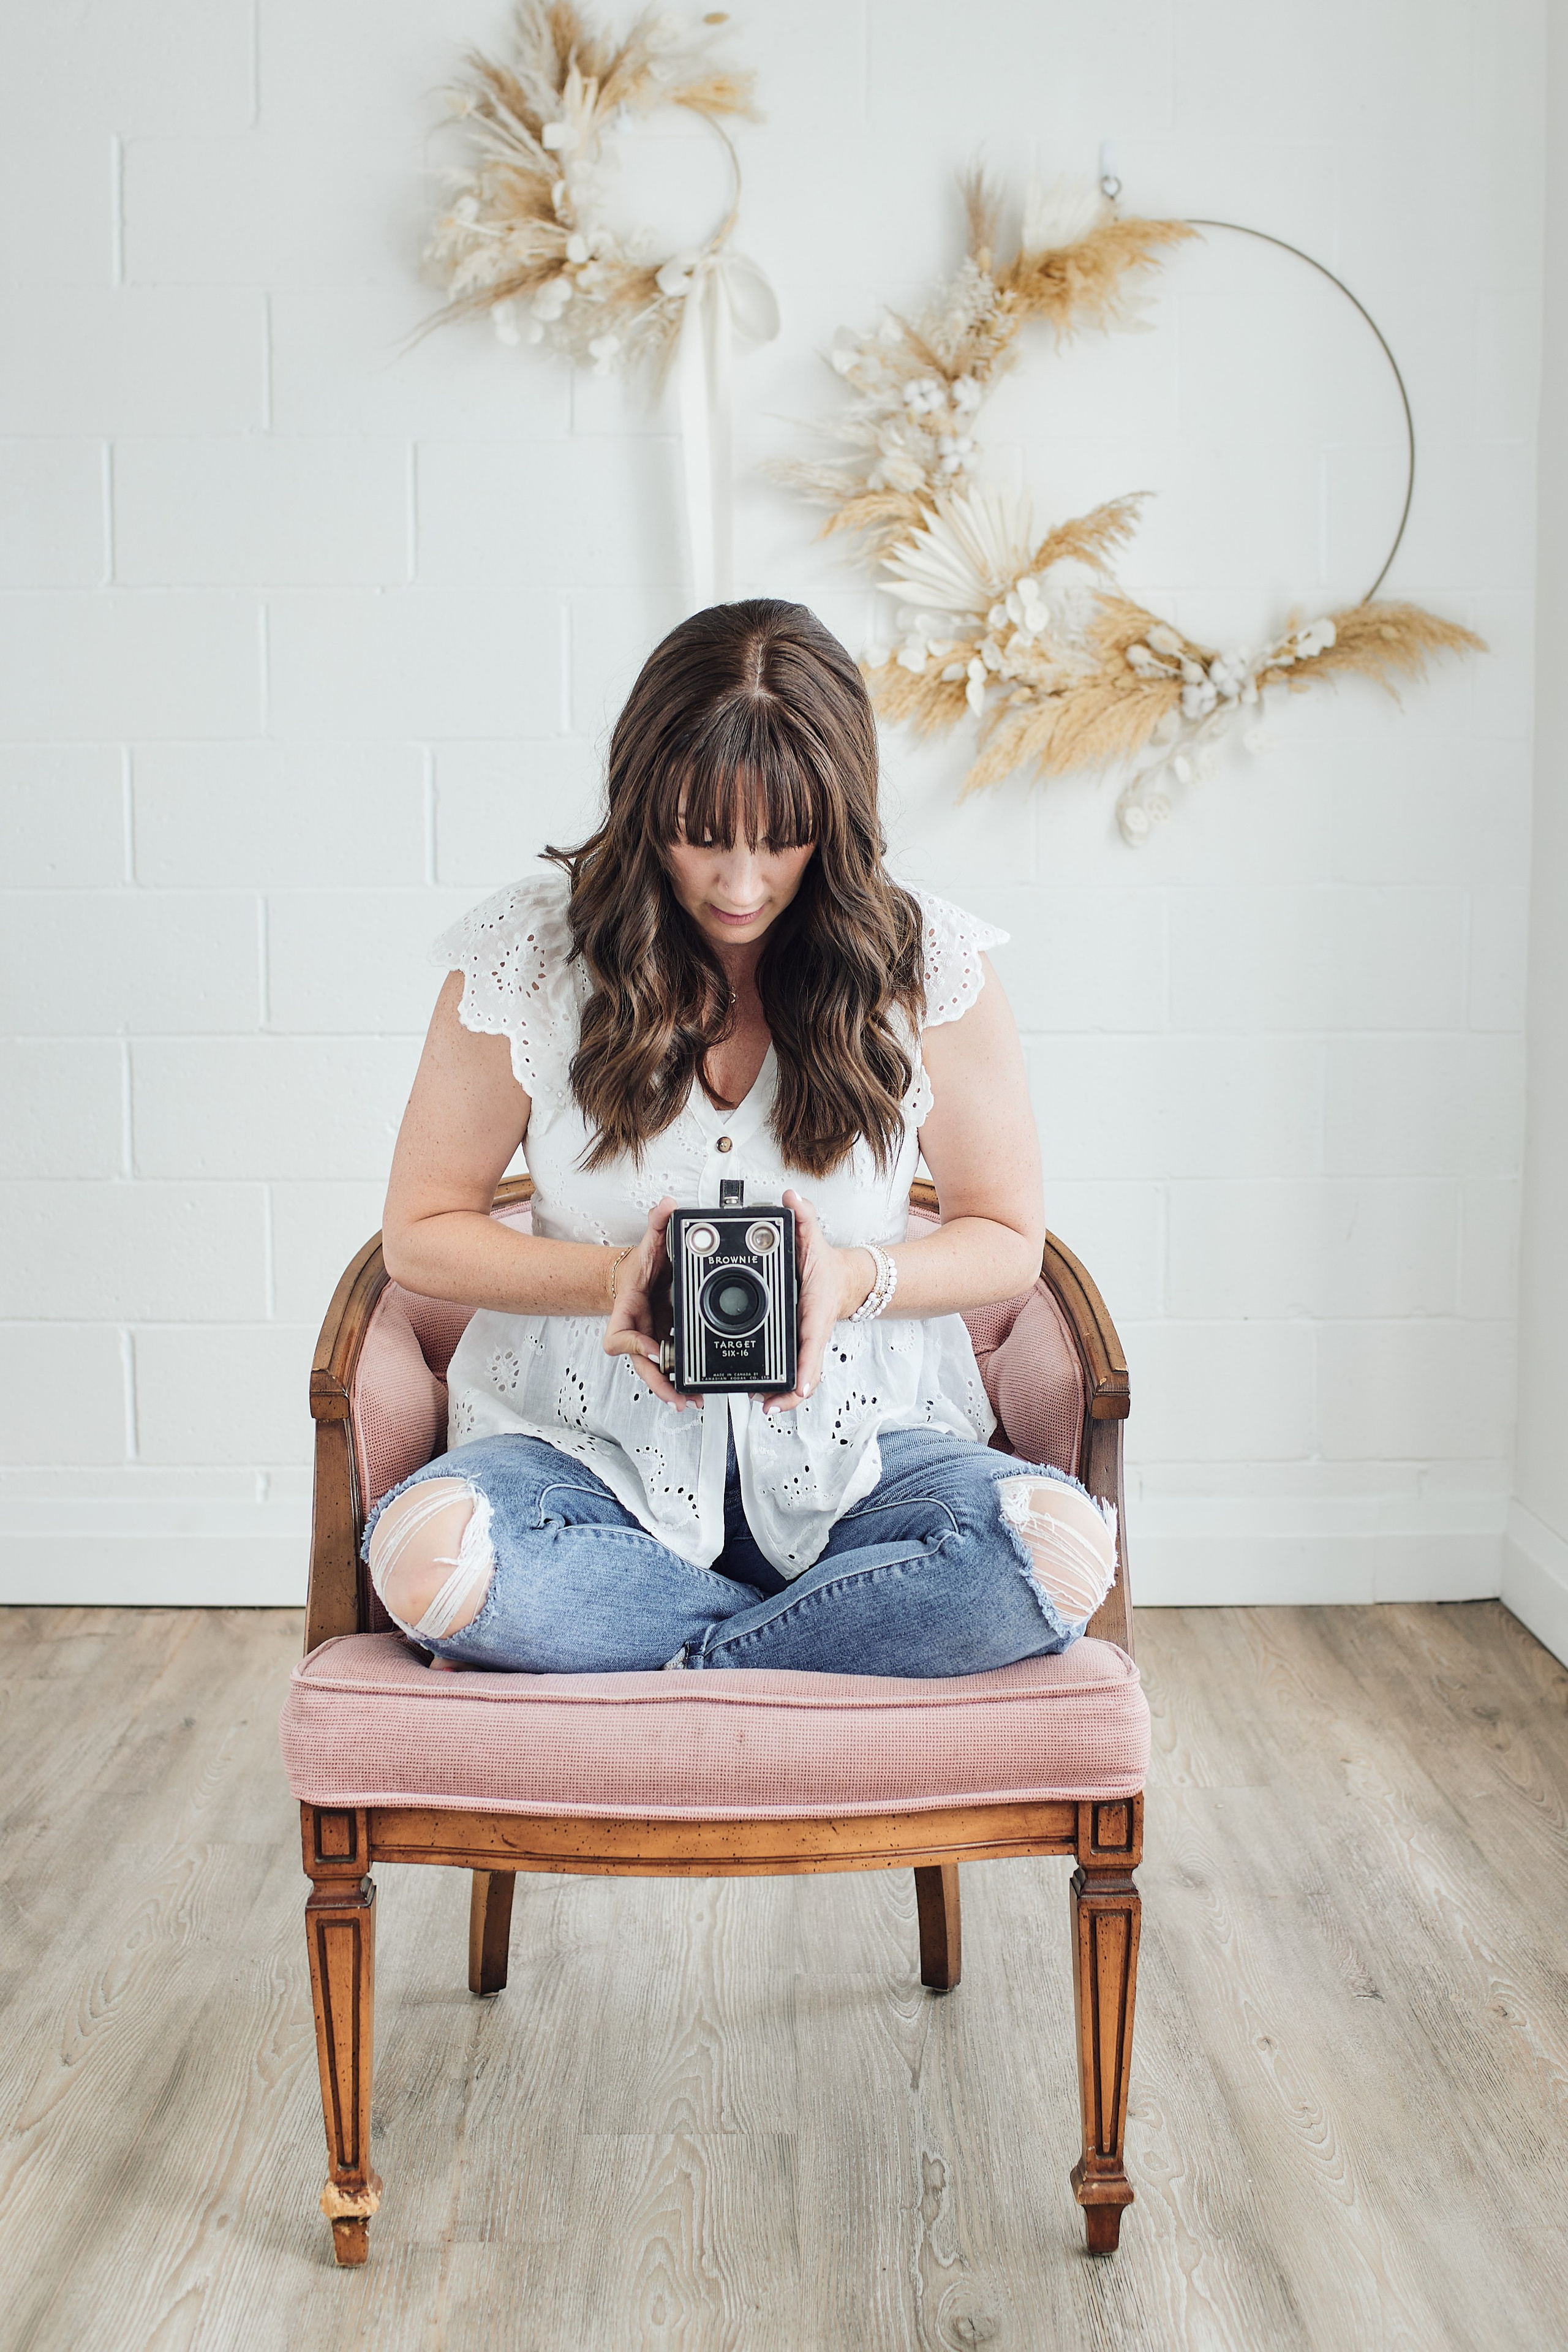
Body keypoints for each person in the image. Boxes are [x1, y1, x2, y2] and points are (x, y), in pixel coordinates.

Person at [367, 598, 1117, 1676]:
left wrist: (850, 1280)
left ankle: (676, 1651)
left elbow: (1007, 1237)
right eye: (701, 833)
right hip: (582, 1458)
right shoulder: (530, 956)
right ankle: (815, 1640)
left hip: (864, 1461)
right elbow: (421, 1234)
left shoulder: (927, 966)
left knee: (1055, 1557)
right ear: (641, 801)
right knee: (427, 1557)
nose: (740, 882)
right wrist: (610, 1281)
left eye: (781, 839)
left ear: (840, 814)